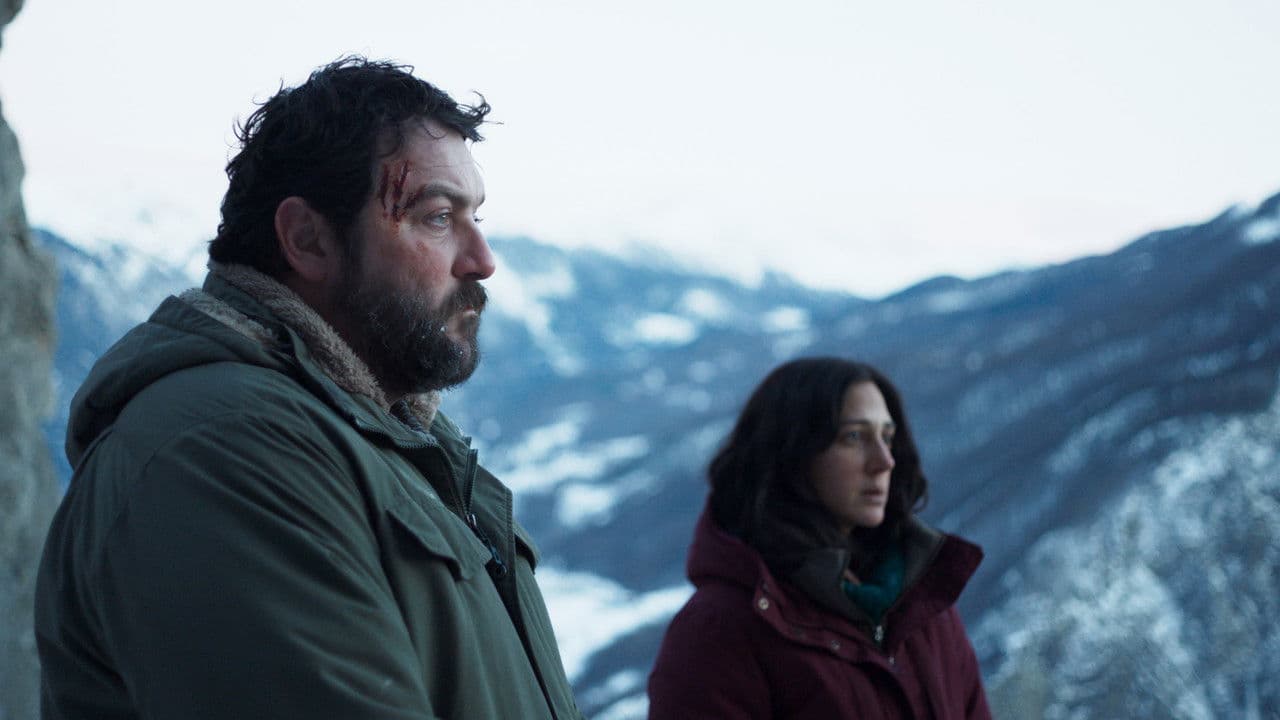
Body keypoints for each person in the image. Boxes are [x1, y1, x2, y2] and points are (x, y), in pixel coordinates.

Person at [35, 57, 584, 720]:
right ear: (307, 240)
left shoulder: (385, 439)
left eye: (477, 217)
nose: (482, 261)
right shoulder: (222, 452)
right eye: (439, 217)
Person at [648, 357, 991, 719]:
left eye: (887, 437)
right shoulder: (718, 631)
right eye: (854, 437)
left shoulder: (921, 604)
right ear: (792, 451)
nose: (884, 461)